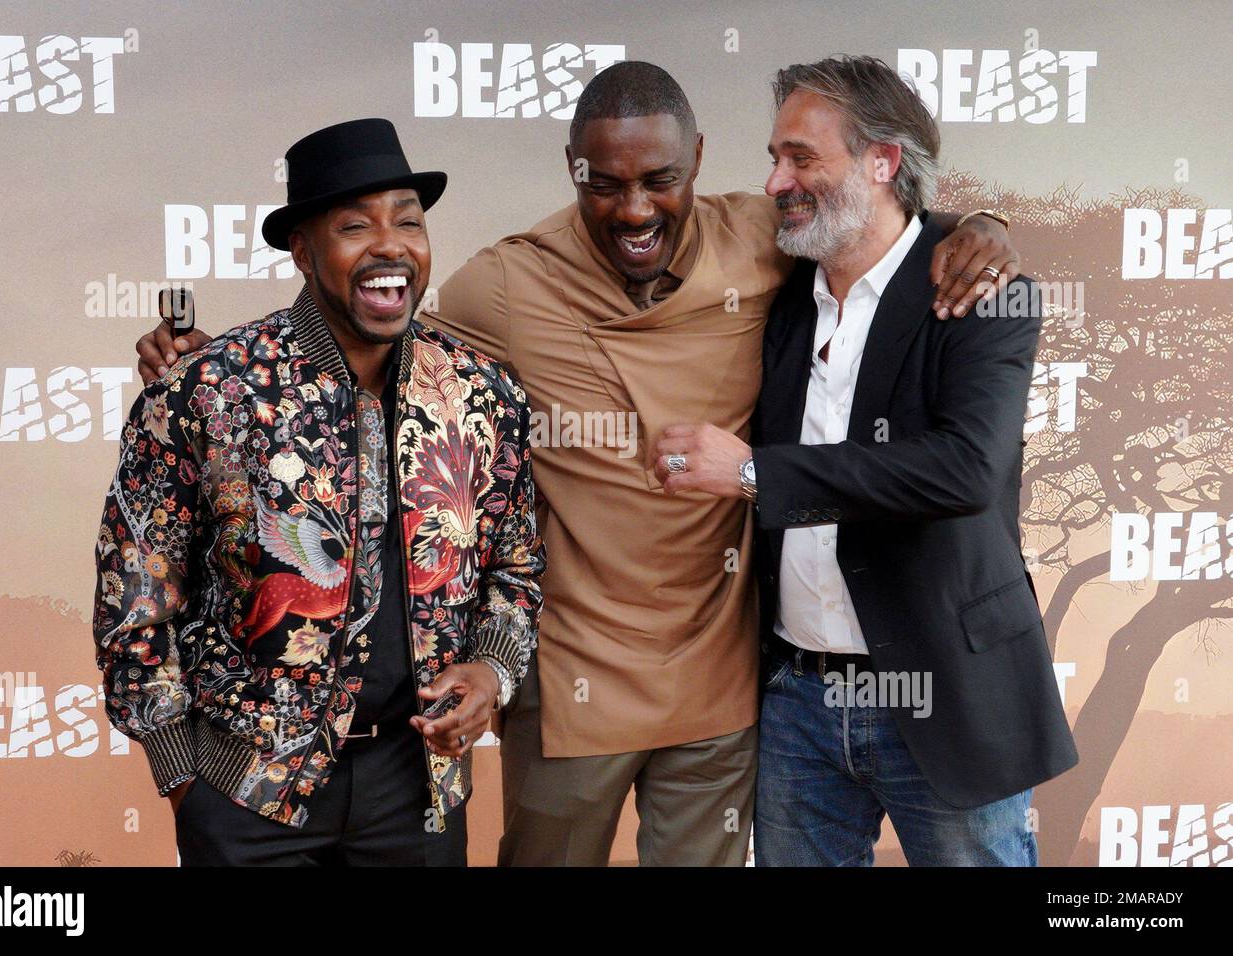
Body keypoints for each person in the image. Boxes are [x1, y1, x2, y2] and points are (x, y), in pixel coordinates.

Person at [133, 62, 1020, 867]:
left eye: (660, 180)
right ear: (572, 171)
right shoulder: (510, 283)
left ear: (702, 161)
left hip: (720, 678)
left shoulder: (761, 237)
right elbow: (375, 315)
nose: (634, 209)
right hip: (572, 675)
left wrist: (982, 226)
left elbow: (870, 222)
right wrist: (227, 367)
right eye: (606, 183)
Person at [654, 56, 1077, 866]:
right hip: (796, 704)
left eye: (802, 158)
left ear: (883, 161)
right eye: (775, 158)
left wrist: (755, 475)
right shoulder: (780, 300)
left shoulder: (986, 293)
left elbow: (963, 470)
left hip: (947, 695)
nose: (777, 180)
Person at [93, 118, 545, 865]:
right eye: (354, 225)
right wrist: (182, 776)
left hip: (417, 788)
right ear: (303, 252)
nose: (390, 243)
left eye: (408, 218)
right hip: (246, 794)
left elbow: (518, 568)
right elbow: (134, 599)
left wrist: (492, 670)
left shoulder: (481, 394)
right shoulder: (209, 391)